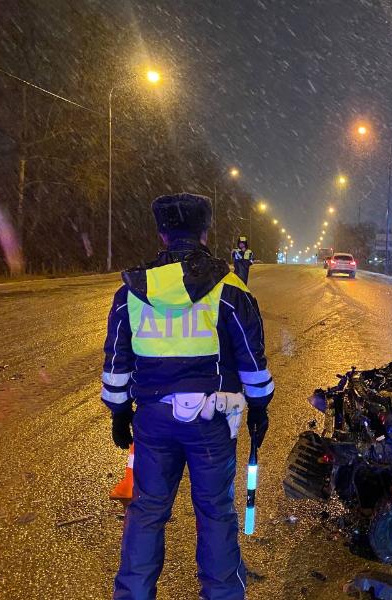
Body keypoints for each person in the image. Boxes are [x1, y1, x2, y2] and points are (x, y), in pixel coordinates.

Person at [101, 193, 273, 600]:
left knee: (146, 513)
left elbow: (116, 363)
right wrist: (260, 408)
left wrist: (119, 412)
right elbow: (252, 358)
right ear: (205, 232)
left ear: (161, 233)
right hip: (211, 422)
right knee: (216, 514)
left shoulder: (131, 291)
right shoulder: (229, 289)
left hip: (153, 421)